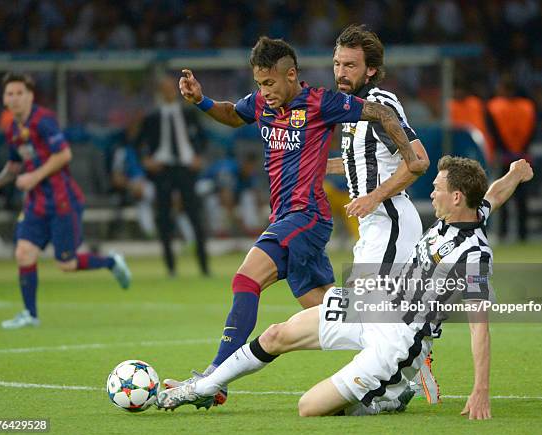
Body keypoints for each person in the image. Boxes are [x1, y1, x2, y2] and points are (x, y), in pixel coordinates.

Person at [157, 157, 534, 419]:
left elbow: (478, 327)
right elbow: (495, 194)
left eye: (436, 189)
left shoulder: (473, 256)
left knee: (309, 407)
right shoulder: (467, 212)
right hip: (376, 303)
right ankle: (205, 387)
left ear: (455, 197)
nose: (431, 194)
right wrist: (517, 172)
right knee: (276, 334)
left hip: (399, 340)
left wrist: (480, 389)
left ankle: (385, 398)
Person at [164, 36, 428, 404]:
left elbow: (380, 113)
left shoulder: (322, 103)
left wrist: (410, 158)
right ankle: (407, 351)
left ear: (291, 75)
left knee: (246, 278)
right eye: (259, 83)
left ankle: (215, 378)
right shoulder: (262, 103)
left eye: (270, 83)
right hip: (286, 216)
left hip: (306, 216)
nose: (264, 91)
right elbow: (233, 114)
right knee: (329, 311)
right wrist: (201, 100)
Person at [325, 24, 438, 403]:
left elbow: (419, 160)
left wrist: (374, 197)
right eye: (338, 63)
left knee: (366, 311)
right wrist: (313, 166)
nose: (341, 72)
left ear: (370, 68)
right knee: (371, 309)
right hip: (378, 225)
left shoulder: (380, 104)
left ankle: (400, 378)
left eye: (351, 65)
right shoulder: (351, 109)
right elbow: (362, 161)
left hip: (389, 221)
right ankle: (411, 364)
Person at [0, 72, 131, 329]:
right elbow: (16, 164)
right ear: (4, 99)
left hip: (62, 201)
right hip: (35, 204)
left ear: (30, 96)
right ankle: (30, 314)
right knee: (23, 252)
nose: (15, 98)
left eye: (20, 93)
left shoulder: (43, 121)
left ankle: (111, 262)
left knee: (67, 264)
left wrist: (34, 177)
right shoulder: (12, 129)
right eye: (10, 94)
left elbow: (64, 154)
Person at [136, 74, 209, 277]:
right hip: (163, 170)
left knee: (195, 217)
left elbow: (204, 139)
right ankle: (171, 268)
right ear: (160, 92)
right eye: (165, 88)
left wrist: (199, 156)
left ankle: (204, 267)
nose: (169, 91)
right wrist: (146, 160)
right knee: (164, 219)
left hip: (186, 169)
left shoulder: (188, 114)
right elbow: (137, 145)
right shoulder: (152, 118)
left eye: (171, 88)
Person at [486, 73, 536, 241]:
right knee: (522, 198)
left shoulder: (494, 106)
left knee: (503, 193)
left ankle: (503, 233)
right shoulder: (527, 106)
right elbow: (533, 130)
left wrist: (505, 150)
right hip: (523, 155)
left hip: (504, 156)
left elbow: (493, 132)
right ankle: (523, 234)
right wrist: (522, 150)